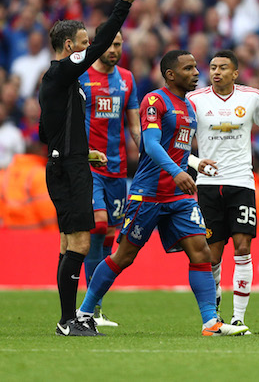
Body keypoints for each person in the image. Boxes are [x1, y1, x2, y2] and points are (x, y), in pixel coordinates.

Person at [76, 50, 248, 337]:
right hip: (149, 193)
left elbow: (176, 149)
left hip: (179, 197)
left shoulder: (188, 107)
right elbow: (151, 145)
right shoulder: (154, 101)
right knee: (124, 256)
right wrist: (178, 172)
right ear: (170, 74)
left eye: (195, 68)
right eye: (188, 68)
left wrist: (194, 163)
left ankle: (210, 323)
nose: (196, 72)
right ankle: (84, 313)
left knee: (200, 251)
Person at [39, 0, 138, 337]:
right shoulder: (64, 72)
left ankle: (68, 318)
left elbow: (42, 130)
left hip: (67, 162)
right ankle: (70, 319)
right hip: (70, 168)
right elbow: (99, 45)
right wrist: (122, 5)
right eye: (83, 45)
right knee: (81, 241)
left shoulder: (57, 82)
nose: (90, 50)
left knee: (69, 242)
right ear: (70, 47)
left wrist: (81, 150)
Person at [187, 50, 259, 332]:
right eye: (212, 67)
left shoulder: (252, 97)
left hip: (241, 182)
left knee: (243, 247)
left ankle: (239, 318)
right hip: (207, 185)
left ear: (235, 73)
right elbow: (177, 142)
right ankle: (214, 315)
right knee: (212, 254)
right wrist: (195, 163)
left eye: (222, 68)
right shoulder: (194, 100)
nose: (216, 72)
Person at [78, 22, 141, 327]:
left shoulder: (127, 80)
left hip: (118, 170)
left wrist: (148, 152)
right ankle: (88, 309)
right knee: (99, 226)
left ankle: (95, 309)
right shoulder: (81, 77)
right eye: (110, 44)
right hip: (89, 167)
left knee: (111, 237)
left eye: (119, 44)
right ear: (96, 44)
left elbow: (134, 126)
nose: (115, 50)